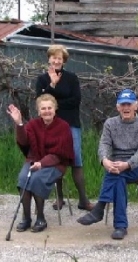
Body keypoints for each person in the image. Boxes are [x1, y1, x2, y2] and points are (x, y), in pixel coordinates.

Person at [76, 89, 138, 240]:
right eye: (123, 105)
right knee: (118, 178)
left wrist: (128, 164)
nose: (126, 108)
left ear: (136, 106)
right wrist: (105, 160)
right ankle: (120, 226)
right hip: (117, 165)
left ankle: (99, 209)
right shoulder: (110, 123)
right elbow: (104, 144)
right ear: (118, 107)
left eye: (129, 104)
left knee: (117, 173)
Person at [35, 44, 93, 211]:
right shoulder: (42, 80)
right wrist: (52, 86)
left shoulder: (71, 78)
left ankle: (83, 200)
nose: (57, 60)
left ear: (64, 61)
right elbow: (41, 101)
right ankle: (59, 198)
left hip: (71, 124)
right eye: (54, 57)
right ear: (49, 59)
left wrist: (54, 105)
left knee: (76, 160)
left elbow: (76, 100)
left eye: (60, 58)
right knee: (56, 159)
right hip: (51, 126)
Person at [7, 94, 75, 233]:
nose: (47, 111)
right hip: (34, 160)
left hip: (56, 164)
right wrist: (19, 124)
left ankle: (41, 218)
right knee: (23, 178)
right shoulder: (33, 124)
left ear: (55, 109)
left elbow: (60, 154)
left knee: (37, 179)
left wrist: (42, 164)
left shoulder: (63, 126)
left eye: (49, 108)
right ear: (39, 111)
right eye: (43, 108)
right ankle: (26, 218)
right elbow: (24, 142)